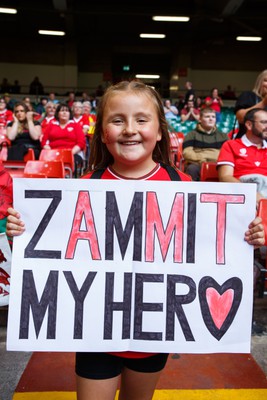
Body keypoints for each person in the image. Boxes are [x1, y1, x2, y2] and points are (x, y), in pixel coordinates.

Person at [5, 80, 265, 400]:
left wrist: (247, 235)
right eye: (118, 120)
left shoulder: (185, 187)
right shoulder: (80, 189)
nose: (130, 129)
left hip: (153, 332)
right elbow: (46, 257)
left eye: (141, 120)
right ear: (102, 132)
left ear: (158, 131)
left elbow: (213, 249)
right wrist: (22, 232)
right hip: (94, 331)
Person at [217, 108, 267, 204]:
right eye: (264, 122)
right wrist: (251, 193)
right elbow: (225, 177)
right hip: (241, 195)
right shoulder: (231, 145)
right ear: (249, 125)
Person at [182, 107, 229, 181]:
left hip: (218, 164)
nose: (211, 119)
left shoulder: (223, 136)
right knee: (192, 169)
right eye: (207, 116)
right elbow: (187, 153)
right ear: (200, 119)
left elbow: (228, 154)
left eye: (213, 117)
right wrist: (203, 160)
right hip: (198, 163)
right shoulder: (191, 134)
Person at [41, 103, 86, 176]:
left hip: (72, 153)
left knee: (74, 161)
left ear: (70, 114)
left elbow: (81, 143)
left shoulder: (75, 126)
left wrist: (69, 153)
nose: (64, 112)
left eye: (67, 111)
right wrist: (51, 153)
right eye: (62, 111)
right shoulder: (51, 126)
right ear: (57, 114)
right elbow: (44, 142)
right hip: (53, 154)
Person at [234, 70, 267, 139]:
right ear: (259, 82)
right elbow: (240, 118)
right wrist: (264, 103)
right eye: (266, 80)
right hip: (246, 145)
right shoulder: (248, 95)